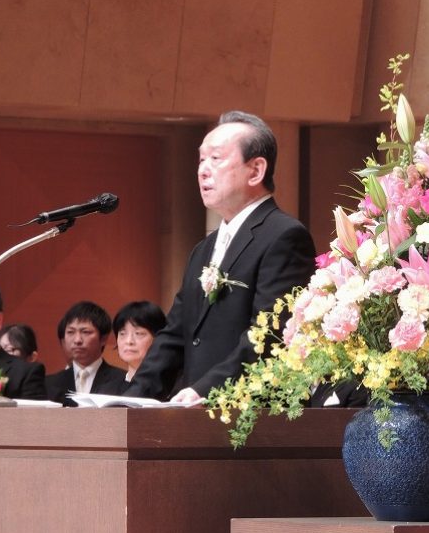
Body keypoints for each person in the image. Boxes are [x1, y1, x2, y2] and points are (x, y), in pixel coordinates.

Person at [125, 110, 316, 404]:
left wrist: (204, 389)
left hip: (250, 412)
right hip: (197, 413)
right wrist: (127, 401)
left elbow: (268, 334)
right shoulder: (204, 249)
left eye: (215, 158)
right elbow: (174, 336)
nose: (203, 170)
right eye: (201, 160)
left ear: (256, 170)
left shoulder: (284, 236)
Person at [45, 300, 126, 406]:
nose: (77, 340)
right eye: (70, 332)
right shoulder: (48, 384)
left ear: (103, 339)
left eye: (85, 332)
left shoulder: (122, 380)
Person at [99, 301, 167, 395]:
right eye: (122, 334)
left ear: (158, 338)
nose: (129, 341)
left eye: (138, 333)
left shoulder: (173, 387)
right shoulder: (106, 391)